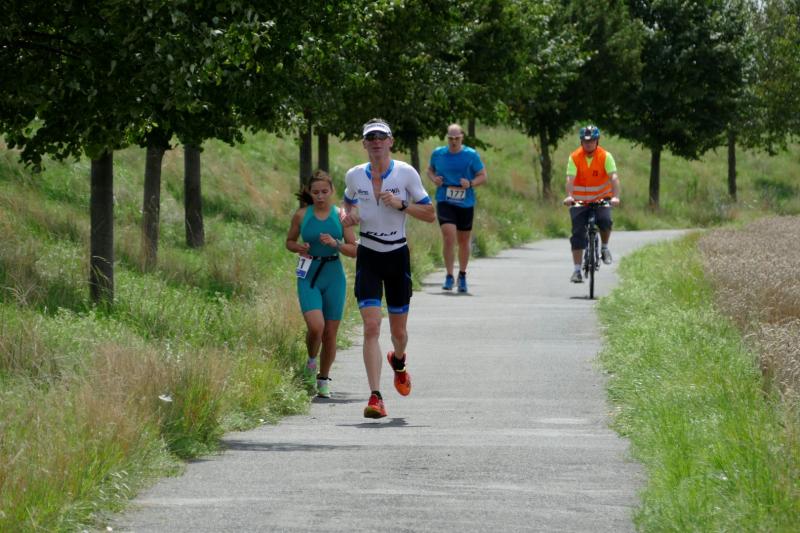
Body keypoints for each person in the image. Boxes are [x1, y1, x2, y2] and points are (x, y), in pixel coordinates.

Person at [341, 118, 436, 418]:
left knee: (399, 332)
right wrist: (348, 219)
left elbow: (430, 213)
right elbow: (346, 204)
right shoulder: (354, 175)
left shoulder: (405, 173)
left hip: (396, 255)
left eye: (381, 137)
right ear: (364, 144)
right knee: (371, 326)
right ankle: (375, 397)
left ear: (391, 141)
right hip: (368, 254)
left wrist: (401, 204)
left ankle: (399, 359)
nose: (376, 142)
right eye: (371, 138)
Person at [286, 170, 357, 398]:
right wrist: (298, 247)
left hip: (333, 275)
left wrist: (336, 244)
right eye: (315, 192)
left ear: (332, 191)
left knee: (330, 333)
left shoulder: (341, 215)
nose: (320, 196)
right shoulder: (301, 215)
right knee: (316, 327)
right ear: (309, 192)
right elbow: (289, 241)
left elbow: (354, 249)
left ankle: (323, 379)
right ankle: (311, 361)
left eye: (324, 191)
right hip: (308, 274)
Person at [426, 123, 488, 293]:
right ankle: (448, 275)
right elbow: (429, 170)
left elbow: (483, 175)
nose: (453, 141)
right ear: (447, 138)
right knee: (449, 236)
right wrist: (434, 179)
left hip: (465, 202)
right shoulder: (438, 153)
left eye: (457, 138)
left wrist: (471, 183)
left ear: (462, 138)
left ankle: (462, 274)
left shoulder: (471, 155)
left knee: (463, 240)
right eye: (450, 138)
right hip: (445, 199)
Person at [562, 125, 621, 283]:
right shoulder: (575, 157)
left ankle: (604, 248)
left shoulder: (605, 156)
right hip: (579, 201)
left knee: (606, 221)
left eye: (592, 141)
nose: (589, 144)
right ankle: (577, 270)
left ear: (597, 141)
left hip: (601, 198)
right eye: (585, 141)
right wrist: (569, 196)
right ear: (581, 142)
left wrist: (615, 197)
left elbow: (613, 177)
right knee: (577, 234)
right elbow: (570, 179)